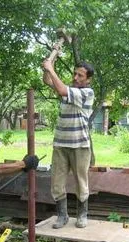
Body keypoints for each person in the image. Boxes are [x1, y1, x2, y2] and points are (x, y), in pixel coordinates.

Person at [42, 59, 95, 229]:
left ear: (88, 80)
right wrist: (48, 66)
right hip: (60, 144)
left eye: (80, 75)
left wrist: (51, 68)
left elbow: (60, 88)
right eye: (75, 74)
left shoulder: (87, 92)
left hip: (80, 145)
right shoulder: (69, 92)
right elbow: (48, 81)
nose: (75, 77)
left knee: (81, 181)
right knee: (57, 182)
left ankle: (82, 214)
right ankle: (62, 216)